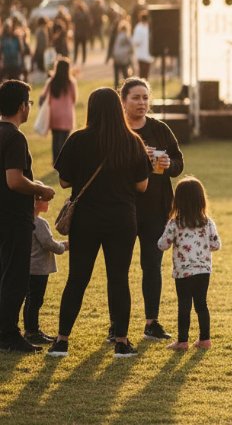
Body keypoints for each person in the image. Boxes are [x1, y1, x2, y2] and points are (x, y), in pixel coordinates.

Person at [48, 88, 151, 359]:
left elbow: (64, 181)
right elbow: (142, 185)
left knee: (77, 279)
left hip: (86, 220)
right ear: (119, 108)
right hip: (121, 219)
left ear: (91, 109)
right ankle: (121, 341)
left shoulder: (78, 140)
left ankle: (61, 340)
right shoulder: (132, 141)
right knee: (119, 279)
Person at [118, 78, 184, 342]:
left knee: (152, 265)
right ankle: (117, 325)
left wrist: (168, 163)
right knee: (118, 268)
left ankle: (151, 322)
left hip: (156, 209)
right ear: (123, 101)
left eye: (145, 97)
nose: (142, 103)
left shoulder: (160, 129)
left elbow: (179, 165)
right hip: (122, 207)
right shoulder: (117, 130)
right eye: (136, 97)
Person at [1, 80, 56, 352]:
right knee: (15, 277)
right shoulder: (15, 137)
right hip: (13, 217)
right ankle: (8, 334)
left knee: (4, 272)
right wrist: (41, 188)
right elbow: (14, 180)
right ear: (23, 106)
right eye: (29, 103)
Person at [157, 176, 220, 351]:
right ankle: (205, 339)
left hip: (183, 272)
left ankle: (182, 341)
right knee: (201, 304)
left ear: (178, 201)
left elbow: (162, 245)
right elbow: (216, 245)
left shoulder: (175, 223)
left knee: (184, 304)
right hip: (203, 271)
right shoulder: (207, 222)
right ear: (201, 200)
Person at [23, 197, 66, 345]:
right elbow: (48, 244)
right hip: (39, 269)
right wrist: (64, 246)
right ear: (36, 203)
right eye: (45, 200)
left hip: (29, 267)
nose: (48, 203)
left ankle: (31, 330)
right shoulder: (40, 223)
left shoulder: (26, 220)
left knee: (30, 299)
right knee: (35, 300)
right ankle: (32, 332)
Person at [40, 58, 77, 164]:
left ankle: (55, 161)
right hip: (67, 114)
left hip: (54, 114)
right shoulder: (71, 82)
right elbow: (74, 98)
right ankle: (64, 161)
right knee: (65, 140)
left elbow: (44, 96)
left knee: (55, 139)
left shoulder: (51, 81)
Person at [110, 20, 134, 88]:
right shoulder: (127, 36)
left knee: (116, 77)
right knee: (126, 76)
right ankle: (127, 88)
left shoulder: (118, 36)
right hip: (124, 59)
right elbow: (131, 47)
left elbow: (115, 47)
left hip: (116, 58)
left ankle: (116, 89)